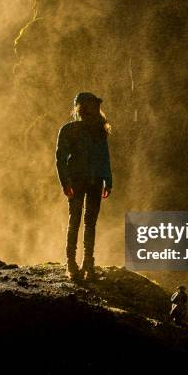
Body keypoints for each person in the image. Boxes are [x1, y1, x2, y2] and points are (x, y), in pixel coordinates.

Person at [55, 92, 112, 282]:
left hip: (91, 181)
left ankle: (86, 263)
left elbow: (104, 157)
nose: (92, 109)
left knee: (85, 221)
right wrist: (65, 182)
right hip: (80, 181)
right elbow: (60, 159)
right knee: (78, 221)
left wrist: (108, 180)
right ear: (80, 108)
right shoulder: (71, 130)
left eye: (94, 106)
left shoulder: (97, 130)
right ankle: (74, 264)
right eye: (89, 106)